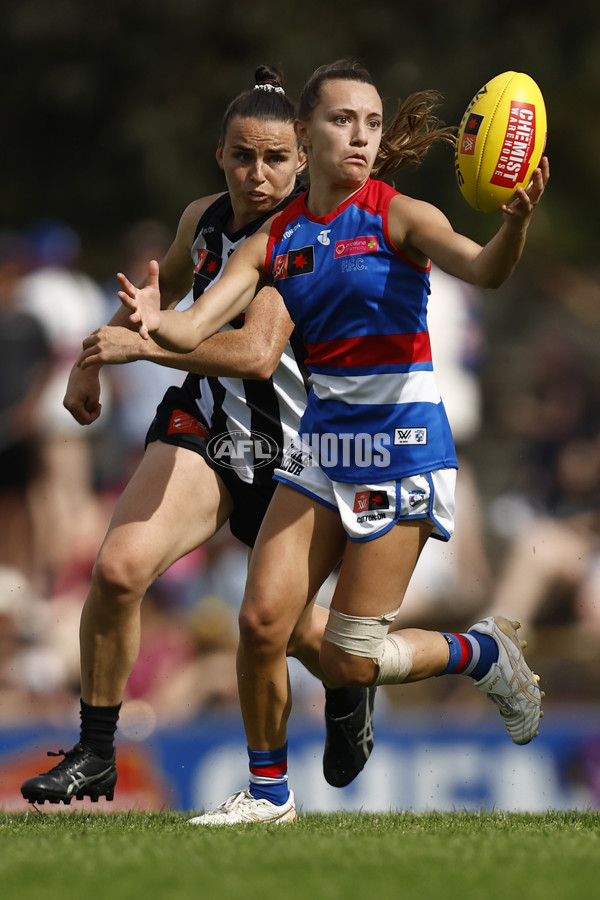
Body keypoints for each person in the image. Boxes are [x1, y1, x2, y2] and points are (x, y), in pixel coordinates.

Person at [91, 60, 549, 826]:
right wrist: (148, 322)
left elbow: (483, 271)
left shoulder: (400, 215)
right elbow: (196, 326)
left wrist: (515, 225)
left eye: (371, 124)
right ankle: (270, 796)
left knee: (348, 660)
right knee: (261, 621)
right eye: (343, 121)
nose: (362, 137)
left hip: (401, 452)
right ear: (305, 136)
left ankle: (486, 655)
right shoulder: (278, 236)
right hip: (321, 451)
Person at [20, 65, 376, 807]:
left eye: (275, 158)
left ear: (304, 155)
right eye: (242, 156)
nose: (258, 173)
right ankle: (95, 749)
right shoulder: (203, 219)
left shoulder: (309, 234)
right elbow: (159, 298)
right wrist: (97, 354)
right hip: (209, 426)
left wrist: (142, 349)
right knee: (118, 570)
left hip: (297, 454)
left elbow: (254, 351)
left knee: (290, 630)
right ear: (220, 155)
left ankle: (348, 687)